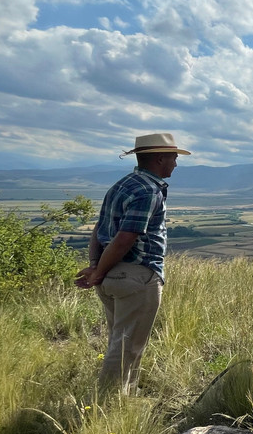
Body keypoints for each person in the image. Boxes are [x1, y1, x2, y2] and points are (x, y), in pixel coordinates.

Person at [75, 133, 190, 396]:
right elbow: (126, 237)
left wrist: (96, 267)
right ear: (160, 158)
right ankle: (107, 409)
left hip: (112, 277)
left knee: (122, 342)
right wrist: (98, 271)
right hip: (136, 277)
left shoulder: (121, 185)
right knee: (127, 347)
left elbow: (99, 230)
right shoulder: (148, 191)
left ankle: (124, 402)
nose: (175, 163)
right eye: (173, 157)